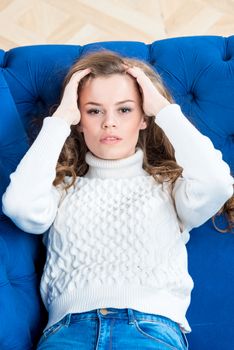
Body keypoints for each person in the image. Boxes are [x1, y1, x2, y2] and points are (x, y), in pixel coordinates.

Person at [2, 50, 233, 350]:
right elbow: (18, 205)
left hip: (149, 330)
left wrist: (162, 109)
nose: (109, 122)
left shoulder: (169, 189)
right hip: (68, 333)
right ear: (79, 119)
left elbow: (217, 183)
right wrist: (60, 120)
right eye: (94, 111)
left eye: (124, 110)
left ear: (143, 118)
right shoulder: (61, 190)